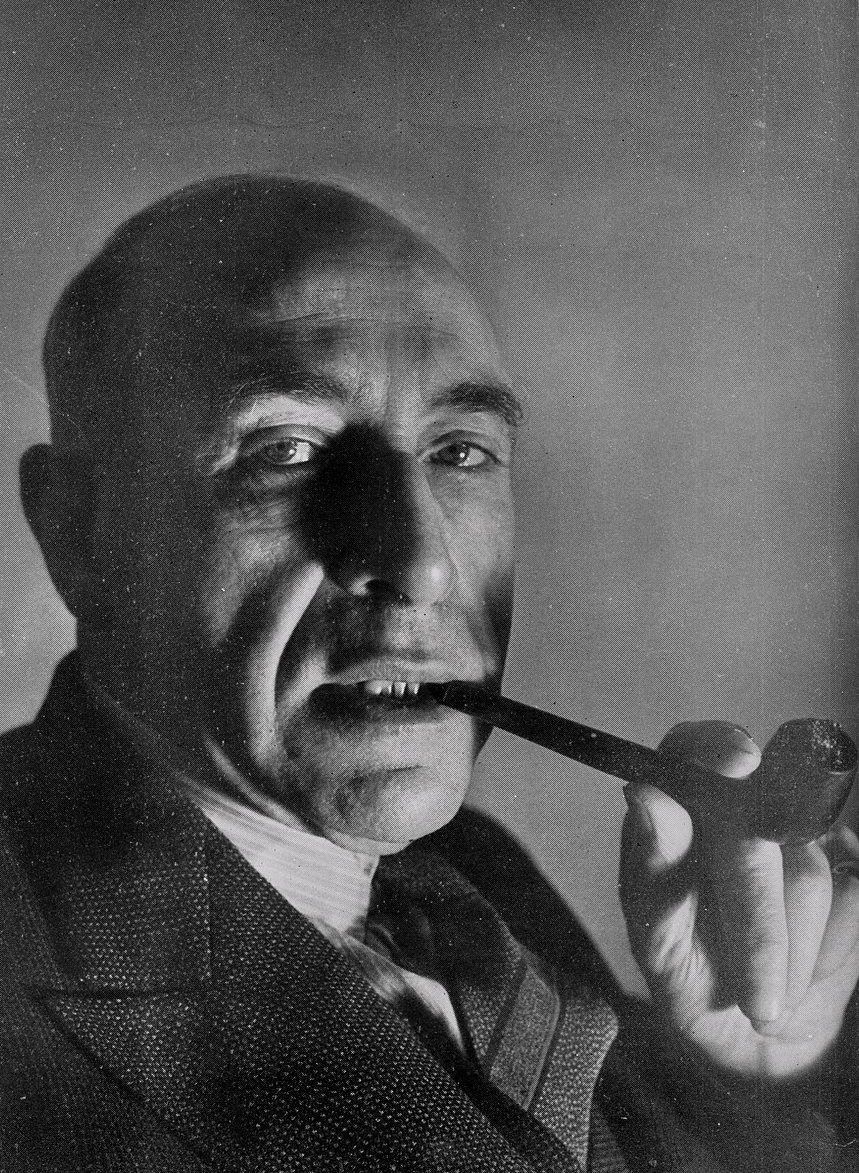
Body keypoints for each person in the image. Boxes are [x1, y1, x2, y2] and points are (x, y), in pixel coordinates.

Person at [1, 173, 857, 1172]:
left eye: (459, 451)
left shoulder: (474, 874)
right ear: (77, 530)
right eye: (286, 449)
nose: (421, 563)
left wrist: (751, 1075)